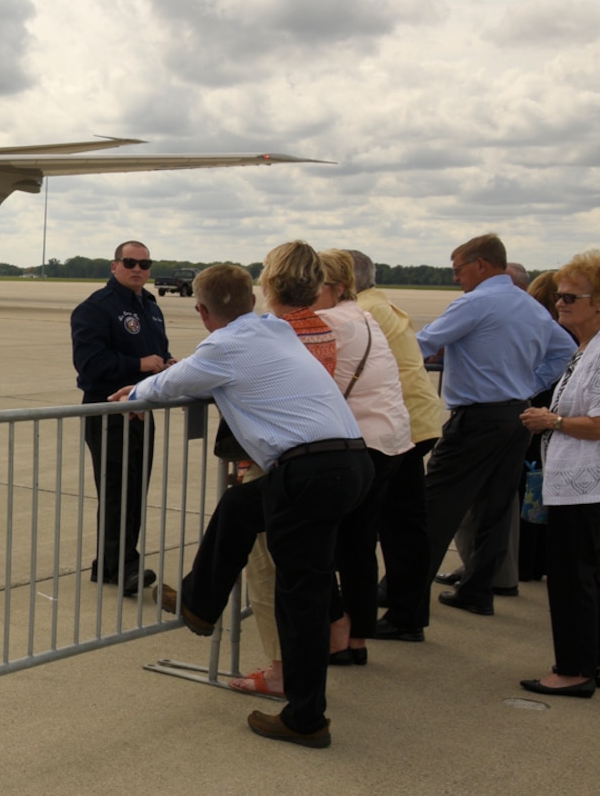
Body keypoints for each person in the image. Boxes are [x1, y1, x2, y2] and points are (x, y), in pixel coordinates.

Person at [126, 255, 370, 748]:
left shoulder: (226, 345)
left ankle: (306, 719)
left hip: (310, 472)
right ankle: (201, 602)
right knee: (241, 507)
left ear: (201, 311)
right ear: (254, 300)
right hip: (348, 462)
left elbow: (170, 383)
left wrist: (135, 391)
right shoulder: (273, 330)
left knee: (300, 599)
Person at [377, 234, 574, 639]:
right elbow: (566, 350)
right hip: (515, 414)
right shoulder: (529, 306)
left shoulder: (476, 303)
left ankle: (404, 610)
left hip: (478, 418)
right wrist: (528, 383)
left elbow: (419, 345)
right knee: (494, 509)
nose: (455, 279)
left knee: (431, 511)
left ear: (481, 265)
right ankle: (479, 589)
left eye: (458, 269)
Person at [518, 252, 600, 696]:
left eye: (571, 296)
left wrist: (550, 422)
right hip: (583, 478)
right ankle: (589, 662)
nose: (560, 303)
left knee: (573, 575)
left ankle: (573, 671)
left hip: (586, 479)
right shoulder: (597, 342)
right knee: (583, 572)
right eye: (558, 294)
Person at [222, 243, 338, 695]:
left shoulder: (273, 332)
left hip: (275, 467)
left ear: (269, 283)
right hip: (323, 461)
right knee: (307, 571)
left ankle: (280, 671)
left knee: (268, 572)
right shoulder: (323, 329)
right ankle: (304, 665)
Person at [316, 249, 411, 664]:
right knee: (358, 544)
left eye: (313, 283)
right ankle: (355, 638)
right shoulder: (365, 316)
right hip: (389, 439)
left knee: (315, 539)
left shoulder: (329, 322)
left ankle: (337, 627)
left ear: (334, 287)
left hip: (360, 440)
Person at [69, 240, 173, 594]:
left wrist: (167, 364)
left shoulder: (150, 306)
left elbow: (159, 350)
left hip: (142, 411)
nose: (138, 269)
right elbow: (90, 365)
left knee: (135, 492)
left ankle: (111, 563)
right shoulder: (96, 309)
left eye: (145, 264)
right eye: (130, 262)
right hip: (109, 412)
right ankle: (124, 565)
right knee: (117, 491)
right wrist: (137, 365)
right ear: (114, 266)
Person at [352, 250, 446, 621]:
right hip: (415, 420)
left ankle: (400, 613)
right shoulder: (379, 303)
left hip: (399, 426)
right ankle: (407, 610)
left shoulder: (363, 312)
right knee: (405, 522)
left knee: (390, 524)